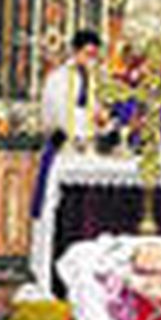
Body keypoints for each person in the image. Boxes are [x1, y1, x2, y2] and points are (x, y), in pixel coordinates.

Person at [34, 30, 105, 220]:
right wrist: (75, 133)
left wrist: (101, 123)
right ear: (75, 52)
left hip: (89, 148)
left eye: (95, 56)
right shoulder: (59, 78)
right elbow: (55, 112)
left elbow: (96, 109)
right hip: (65, 146)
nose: (92, 61)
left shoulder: (95, 79)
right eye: (88, 55)